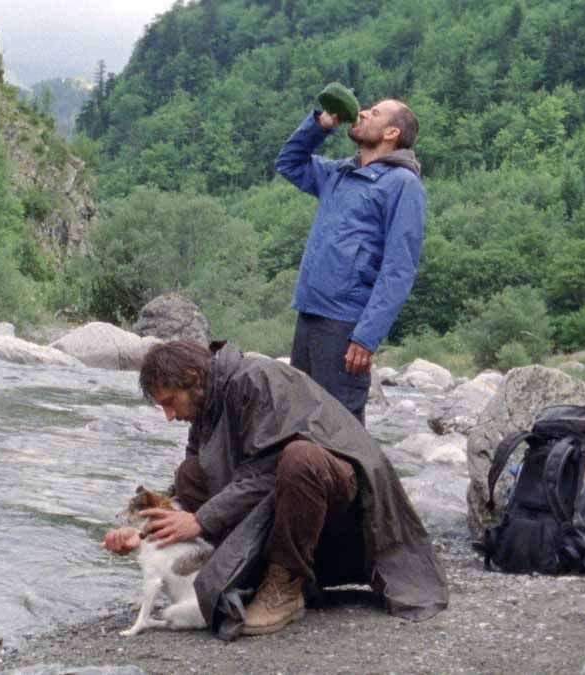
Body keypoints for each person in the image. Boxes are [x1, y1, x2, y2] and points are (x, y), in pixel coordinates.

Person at [103, 341, 447, 637]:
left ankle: (285, 584)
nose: (168, 415)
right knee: (191, 471)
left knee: (300, 458)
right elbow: (185, 492)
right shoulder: (205, 408)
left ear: (193, 379)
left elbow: (268, 469)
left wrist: (201, 519)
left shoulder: (257, 378)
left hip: (347, 519)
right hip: (288, 512)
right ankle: (253, 575)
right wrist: (145, 535)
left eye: (169, 401)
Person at [275, 99, 426, 423]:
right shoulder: (339, 173)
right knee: (299, 422)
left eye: (374, 113)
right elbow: (288, 162)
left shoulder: (403, 184)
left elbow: (399, 268)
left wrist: (367, 335)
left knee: (338, 430)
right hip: (310, 312)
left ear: (391, 132)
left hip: (345, 323)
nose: (361, 113)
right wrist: (319, 125)